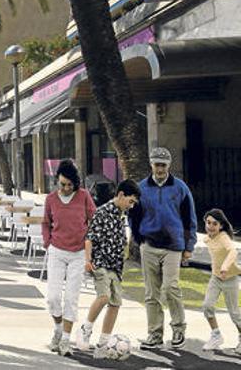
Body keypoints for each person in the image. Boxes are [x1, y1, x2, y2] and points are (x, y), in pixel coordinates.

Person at [129, 147, 197, 350]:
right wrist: (138, 238)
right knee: (151, 293)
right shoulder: (140, 188)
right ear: (151, 164)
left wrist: (189, 247)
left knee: (170, 288)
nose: (159, 168)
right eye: (156, 164)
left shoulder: (180, 188)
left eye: (163, 165)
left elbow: (189, 219)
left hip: (174, 247)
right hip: (148, 246)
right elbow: (133, 216)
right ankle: (155, 334)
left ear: (169, 166)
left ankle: (178, 328)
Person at [77, 179, 141, 356]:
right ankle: (85, 329)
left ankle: (103, 343)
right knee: (104, 297)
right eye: (131, 201)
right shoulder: (103, 212)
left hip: (116, 266)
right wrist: (87, 260)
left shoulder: (122, 214)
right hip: (101, 263)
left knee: (115, 303)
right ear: (121, 195)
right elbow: (89, 238)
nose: (132, 206)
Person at [42, 159, 96, 356]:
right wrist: (47, 242)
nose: (65, 188)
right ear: (57, 180)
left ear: (75, 183)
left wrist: (90, 244)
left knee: (71, 299)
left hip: (78, 253)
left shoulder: (83, 196)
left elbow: (94, 219)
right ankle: (57, 329)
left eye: (69, 185)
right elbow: (46, 222)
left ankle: (65, 340)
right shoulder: (50, 199)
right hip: (57, 251)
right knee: (53, 298)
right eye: (62, 184)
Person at [200, 209, 241, 353]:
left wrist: (225, 267)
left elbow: (233, 251)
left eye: (214, 224)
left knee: (235, 313)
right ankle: (216, 335)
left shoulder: (223, 237)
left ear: (221, 226)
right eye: (208, 223)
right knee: (207, 306)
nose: (210, 226)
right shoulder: (207, 238)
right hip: (216, 278)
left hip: (230, 279)